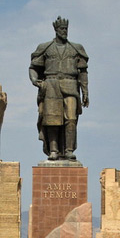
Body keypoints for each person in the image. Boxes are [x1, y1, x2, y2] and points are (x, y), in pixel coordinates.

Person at [30, 16, 90, 161]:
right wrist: (35, 81)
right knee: (51, 119)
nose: (64, 31)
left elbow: (83, 72)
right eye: (62, 29)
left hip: (70, 84)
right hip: (50, 85)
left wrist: (85, 91)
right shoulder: (45, 48)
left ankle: (69, 150)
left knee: (71, 118)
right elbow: (33, 68)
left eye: (66, 29)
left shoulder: (76, 48)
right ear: (56, 30)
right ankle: (54, 150)